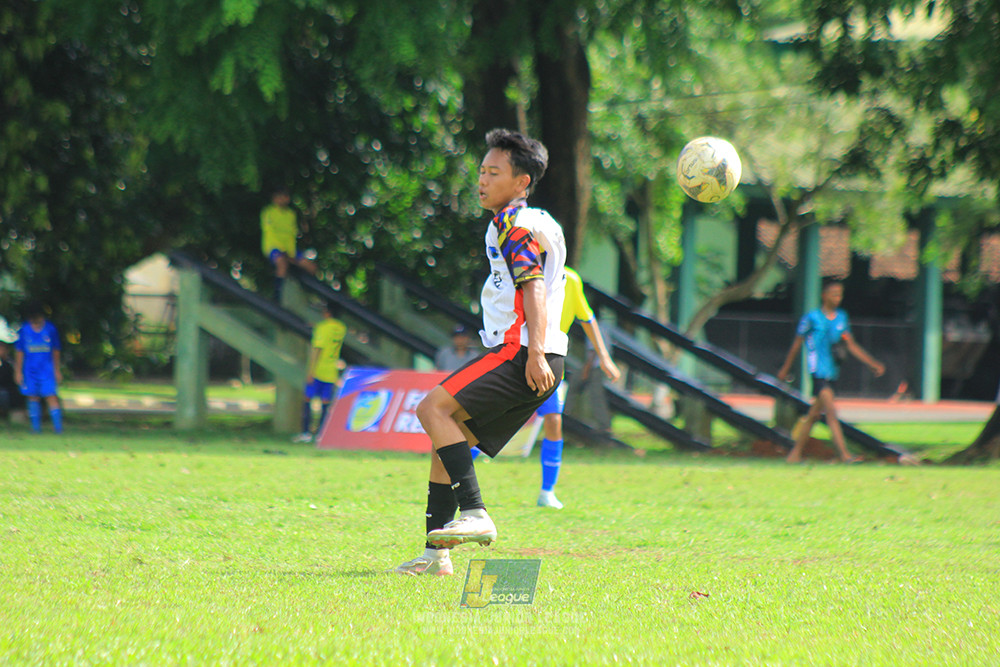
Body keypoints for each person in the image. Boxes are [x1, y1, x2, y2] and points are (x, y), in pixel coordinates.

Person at [393, 128, 567, 576]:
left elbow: (533, 289)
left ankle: (475, 511)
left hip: (521, 352)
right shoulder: (538, 220)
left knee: (430, 409)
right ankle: (436, 557)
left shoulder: (513, 226)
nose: (483, 180)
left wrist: (533, 354)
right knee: (444, 443)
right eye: (482, 171)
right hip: (539, 355)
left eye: (494, 172)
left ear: (521, 181)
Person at [534, 266, 621, 509]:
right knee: (494, 422)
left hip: (551, 358)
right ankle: (457, 477)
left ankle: (547, 491)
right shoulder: (523, 271)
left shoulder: (570, 279)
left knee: (553, 419)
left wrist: (604, 357)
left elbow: (587, 318)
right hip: (519, 355)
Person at [777, 280, 885, 463]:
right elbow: (797, 345)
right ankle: (844, 454)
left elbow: (850, 344)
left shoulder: (842, 318)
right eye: (834, 294)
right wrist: (785, 369)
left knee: (813, 415)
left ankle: (794, 455)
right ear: (824, 295)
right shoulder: (811, 318)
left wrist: (871, 363)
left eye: (840, 294)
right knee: (831, 412)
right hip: (818, 372)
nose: (837, 298)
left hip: (833, 371)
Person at [293, 299, 347, 443]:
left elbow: (317, 349)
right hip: (332, 370)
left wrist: (310, 371)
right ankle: (321, 434)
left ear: (326, 312)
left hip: (318, 370)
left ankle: (306, 433)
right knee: (325, 404)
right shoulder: (341, 328)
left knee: (307, 401)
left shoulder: (322, 327)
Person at [13, 302, 64, 434]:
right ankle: (35, 429)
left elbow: (56, 351)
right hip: (30, 370)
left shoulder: (50, 329)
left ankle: (58, 429)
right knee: (32, 396)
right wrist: (18, 371)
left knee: (51, 396)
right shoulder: (24, 330)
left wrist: (57, 370)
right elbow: (20, 352)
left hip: (47, 369)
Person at [260, 187, 316, 301]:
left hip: (290, 250)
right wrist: (283, 252)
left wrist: (291, 253)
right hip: (274, 248)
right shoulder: (268, 212)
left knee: (311, 266)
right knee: (282, 263)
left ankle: (305, 291)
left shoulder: (291, 214)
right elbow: (270, 232)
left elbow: (292, 235)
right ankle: (277, 295)